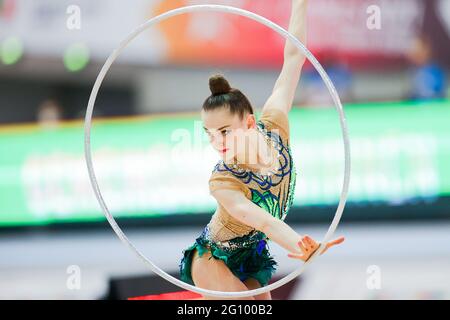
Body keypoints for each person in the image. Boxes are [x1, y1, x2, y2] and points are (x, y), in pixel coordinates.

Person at [179, 0, 344, 300]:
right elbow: (265, 221)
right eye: (209, 135)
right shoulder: (223, 181)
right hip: (212, 258)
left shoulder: (275, 126)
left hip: (251, 256)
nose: (218, 142)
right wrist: (300, 245)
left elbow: (293, 57)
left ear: (250, 123)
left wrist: (300, 4)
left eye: (225, 131)